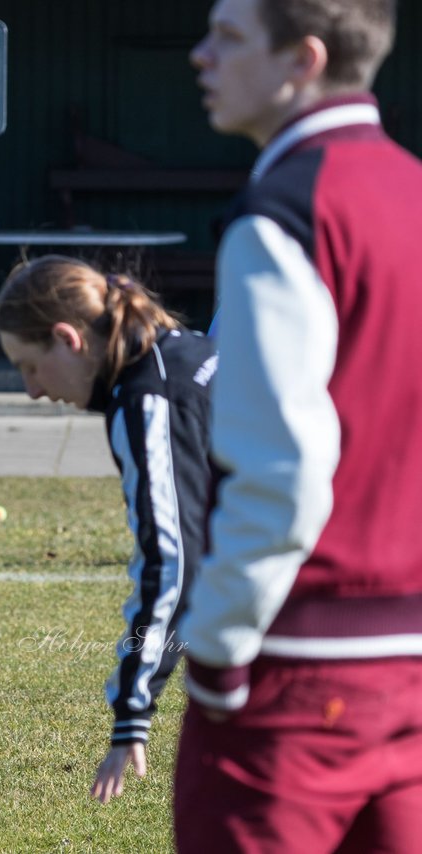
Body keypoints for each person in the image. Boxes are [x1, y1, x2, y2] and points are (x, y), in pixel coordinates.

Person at [177, 0, 422, 849]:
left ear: (302, 61)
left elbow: (279, 473)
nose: (201, 56)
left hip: (296, 672)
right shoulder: (412, 190)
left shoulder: (283, 214)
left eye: (230, 37)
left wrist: (214, 652)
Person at [0, 256, 217, 805]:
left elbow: (171, 562)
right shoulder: (182, 350)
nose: (32, 392)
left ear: (68, 339)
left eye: (30, 366)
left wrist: (131, 713)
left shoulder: (148, 399)